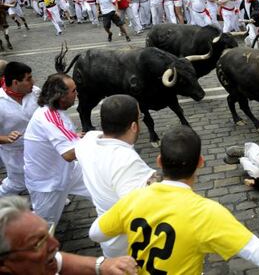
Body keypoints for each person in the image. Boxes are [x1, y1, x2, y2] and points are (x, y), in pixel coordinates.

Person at [89, 125, 259, 273]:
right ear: (201, 163)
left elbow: (96, 234)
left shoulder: (134, 199)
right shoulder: (206, 213)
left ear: (159, 161)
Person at [75, 95, 157, 258]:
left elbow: (92, 136)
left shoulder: (87, 141)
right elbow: (140, 209)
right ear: (134, 126)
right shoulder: (127, 162)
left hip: (108, 239)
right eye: (140, 117)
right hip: (130, 246)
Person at [0, 195, 138, 275]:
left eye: (48, 233)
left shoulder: (37, 264)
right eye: (37, 243)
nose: (56, 244)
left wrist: (101, 265)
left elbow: (57, 259)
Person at [23, 73, 91, 225]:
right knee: (44, 228)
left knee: (103, 188)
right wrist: (96, 142)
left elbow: (62, 137)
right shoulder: (49, 117)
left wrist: (75, 137)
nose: (77, 94)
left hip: (69, 171)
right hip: (48, 184)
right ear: (61, 96)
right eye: (73, 91)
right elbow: (68, 154)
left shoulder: (54, 112)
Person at [0, 62, 39, 197]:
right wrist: (5, 138)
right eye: (28, 79)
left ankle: (49, 197)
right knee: (18, 183)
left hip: (38, 147)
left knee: (42, 174)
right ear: (16, 82)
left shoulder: (35, 92)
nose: (33, 82)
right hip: (14, 152)